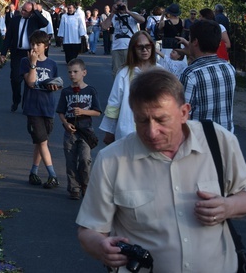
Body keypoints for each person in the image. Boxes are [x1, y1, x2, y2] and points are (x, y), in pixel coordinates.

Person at [77, 68, 246, 273]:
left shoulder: (218, 141)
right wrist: (101, 248)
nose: (152, 132)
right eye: (142, 121)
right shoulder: (111, 160)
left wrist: (228, 206)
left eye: (161, 120)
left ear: (184, 112)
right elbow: (89, 230)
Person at [99, 31, 159, 144]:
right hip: (128, 131)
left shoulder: (160, 72)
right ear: (133, 49)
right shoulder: (124, 73)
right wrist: (109, 131)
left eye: (148, 46)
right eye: (140, 47)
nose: (144, 50)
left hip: (154, 132)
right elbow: (114, 103)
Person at [179, 19, 236, 132]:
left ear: (195, 42)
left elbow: (183, 114)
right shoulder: (229, 68)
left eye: (189, 39)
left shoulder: (191, 73)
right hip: (226, 139)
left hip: (201, 141)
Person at [21, 30, 62, 189]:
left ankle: (33, 171)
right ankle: (53, 175)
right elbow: (31, 83)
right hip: (33, 107)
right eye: (32, 44)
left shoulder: (52, 64)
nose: (35, 47)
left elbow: (56, 83)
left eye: (38, 44)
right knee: (43, 141)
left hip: (48, 107)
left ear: (46, 46)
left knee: (41, 141)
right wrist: (33, 64)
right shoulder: (26, 61)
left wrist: (54, 86)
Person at [56, 58, 100, 200]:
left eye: (75, 72)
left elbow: (97, 111)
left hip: (85, 130)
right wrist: (65, 123)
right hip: (70, 131)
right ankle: (74, 187)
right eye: (70, 72)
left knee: (85, 159)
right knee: (70, 160)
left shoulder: (90, 90)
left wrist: (83, 112)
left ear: (84, 72)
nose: (72, 75)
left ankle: (85, 185)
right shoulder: (66, 91)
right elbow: (61, 111)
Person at [1, 2, 49, 112]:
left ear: (31, 12)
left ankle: (26, 102)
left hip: (30, 53)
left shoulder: (35, 20)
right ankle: (16, 100)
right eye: (22, 9)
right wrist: (3, 53)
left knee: (30, 79)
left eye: (26, 11)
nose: (22, 12)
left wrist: (36, 11)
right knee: (15, 79)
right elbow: (8, 37)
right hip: (17, 53)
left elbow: (45, 23)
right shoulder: (15, 19)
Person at [100, 0, 145, 76]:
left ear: (125, 4)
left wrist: (128, 11)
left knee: (133, 72)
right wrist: (112, 13)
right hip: (117, 48)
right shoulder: (113, 16)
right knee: (117, 73)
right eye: (117, 5)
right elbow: (104, 27)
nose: (120, 7)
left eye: (121, 5)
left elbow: (142, 20)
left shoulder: (133, 14)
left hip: (131, 47)